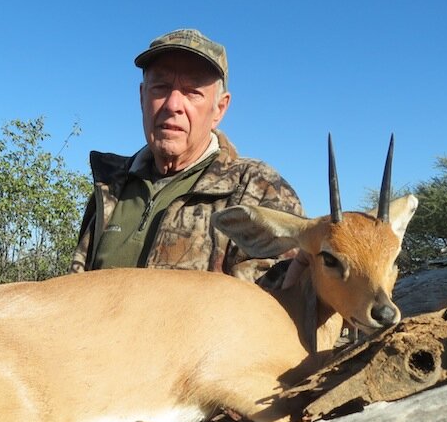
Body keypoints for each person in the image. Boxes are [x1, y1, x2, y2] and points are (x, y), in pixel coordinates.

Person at [70, 29, 302, 284]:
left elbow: (278, 310)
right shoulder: (110, 186)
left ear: (220, 109)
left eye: (192, 91)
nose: (172, 105)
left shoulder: (259, 190)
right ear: (141, 97)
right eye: (160, 87)